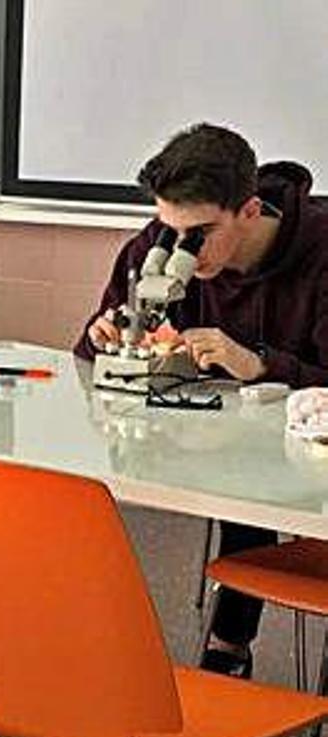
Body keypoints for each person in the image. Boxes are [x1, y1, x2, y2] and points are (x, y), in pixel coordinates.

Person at [74, 123, 328, 678]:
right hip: (229, 448)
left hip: (315, 451)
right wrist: (106, 335)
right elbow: (93, 352)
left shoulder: (321, 252)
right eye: (170, 230)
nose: (179, 247)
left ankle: (236, 649)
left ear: (250, 211)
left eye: (197, 234)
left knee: (250, 481)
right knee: (234, 474)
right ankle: (228, 648)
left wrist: (258, 364)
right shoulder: (161, 240)